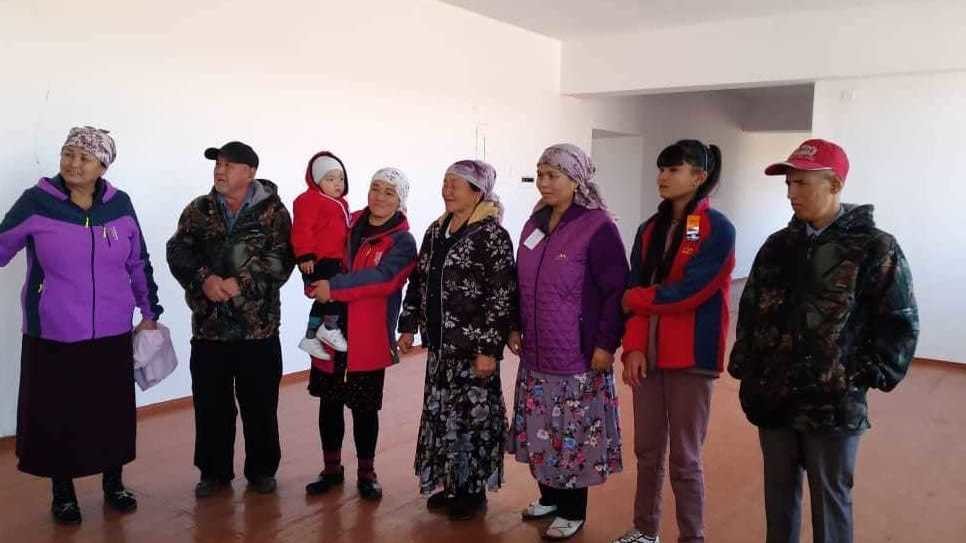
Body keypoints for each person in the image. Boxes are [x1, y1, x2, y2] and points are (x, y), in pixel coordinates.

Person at [728, 139, 919, 543]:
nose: (791, 193)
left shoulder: (874, 247)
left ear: (834, 185)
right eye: (789, 184)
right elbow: (751, 309)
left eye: (802, 183)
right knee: (779, 498)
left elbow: (898, 321)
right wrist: (748, 367)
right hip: (774, 396)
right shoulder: (777, 246)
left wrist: (858, 374)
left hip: (832, 404)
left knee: (831, 501)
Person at [0, 126, 163, 523]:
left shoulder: (119, 205)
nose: (73, 163)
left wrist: (149, 312)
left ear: (102, 166)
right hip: (53, 330)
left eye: (84, 157)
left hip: (111, 329)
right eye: (68, 154)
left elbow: (138, 261)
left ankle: (114, 483)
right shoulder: (37, 202)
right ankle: (63, 493)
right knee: (58, 414)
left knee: (111, 412)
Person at [612, 140, 735, 543]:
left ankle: (691, 536)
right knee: (647, 451)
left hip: (692, 358)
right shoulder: (650, 229)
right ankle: (645, 529)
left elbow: (690, 292)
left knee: (685, 457)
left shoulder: (717, 229)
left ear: (698, 177)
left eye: (673, 169)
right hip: (647, 357)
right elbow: (635, 288)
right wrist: (633, 347)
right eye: (661, 169)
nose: (662, 177)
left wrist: (636, 299)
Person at [507, 143, 627, 540]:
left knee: (571, 434)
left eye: (553, 175)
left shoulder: (598, 226)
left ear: (576, 180)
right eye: (540, 174)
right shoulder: (534, 224)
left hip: (577, 355)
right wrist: (514, 325)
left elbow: (615, 290)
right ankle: (550, 497)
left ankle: (573, 509)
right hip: (537, 353)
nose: (544, 182)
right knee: (542, 429)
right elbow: (519, 282)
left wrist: (605, 344)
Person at [166, 140, 294, 498]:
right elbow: (178, 250)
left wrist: (240, 282)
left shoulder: (274, 212)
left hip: (258, 329)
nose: (220, 170)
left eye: (229, 165)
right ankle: (213, 472)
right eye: (217, 164)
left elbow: (282, 260)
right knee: (211, 406)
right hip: (210, 328)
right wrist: (204, 280)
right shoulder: (199, 209)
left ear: (250, 172)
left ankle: (262, 471)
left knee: (260, 406)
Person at [397, 160, 517, 520]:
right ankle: (451, 484)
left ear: (477, 192)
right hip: (440, 346)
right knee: (443, 417)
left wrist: (488, 350)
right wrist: (408, 324)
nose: (447, 190)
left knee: (472, 422)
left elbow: (501, 297)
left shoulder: (492, 236)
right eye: (445, 182)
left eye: (456, 184)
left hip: (472, 350)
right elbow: (419, 281)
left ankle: (472, 491)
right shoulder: (437, 230)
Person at [304, 167, 417, 501]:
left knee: (364, 409)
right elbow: (318, 251)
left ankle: (367, 474)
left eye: (389, 192)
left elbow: (384, 279)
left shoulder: (402, 241)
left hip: (368, 337)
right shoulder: (347, 222)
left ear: (400, 200)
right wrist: (312, 279)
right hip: (330, 330)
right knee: (329, 403)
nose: (379, 197)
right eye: (375, 188)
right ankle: (331, 469)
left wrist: (333, 287)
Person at [292, 151, 351, 359]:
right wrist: (305, 255)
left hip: (334, 258)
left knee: (322, 300)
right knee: (334, 292)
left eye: (341, 178)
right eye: (330, 179)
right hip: (318, 259)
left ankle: (310, 337)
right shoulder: (309, 200)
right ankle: (329, 327)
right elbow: (302, 228)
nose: (337, 184)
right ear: (317, 181)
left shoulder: (339, 203)